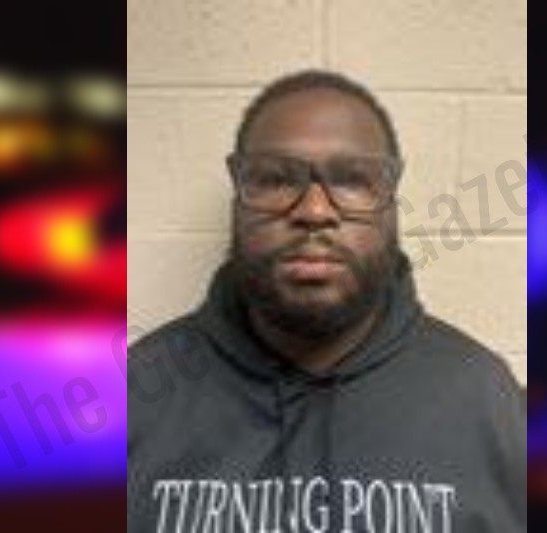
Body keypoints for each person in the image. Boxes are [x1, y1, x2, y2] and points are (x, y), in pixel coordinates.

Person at [128, 70, 526, 533]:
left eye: (353, 180)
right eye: (275, 179)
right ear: (238, 201)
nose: (314, 211)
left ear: (391, 207)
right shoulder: (131, 399)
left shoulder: (491, 405)